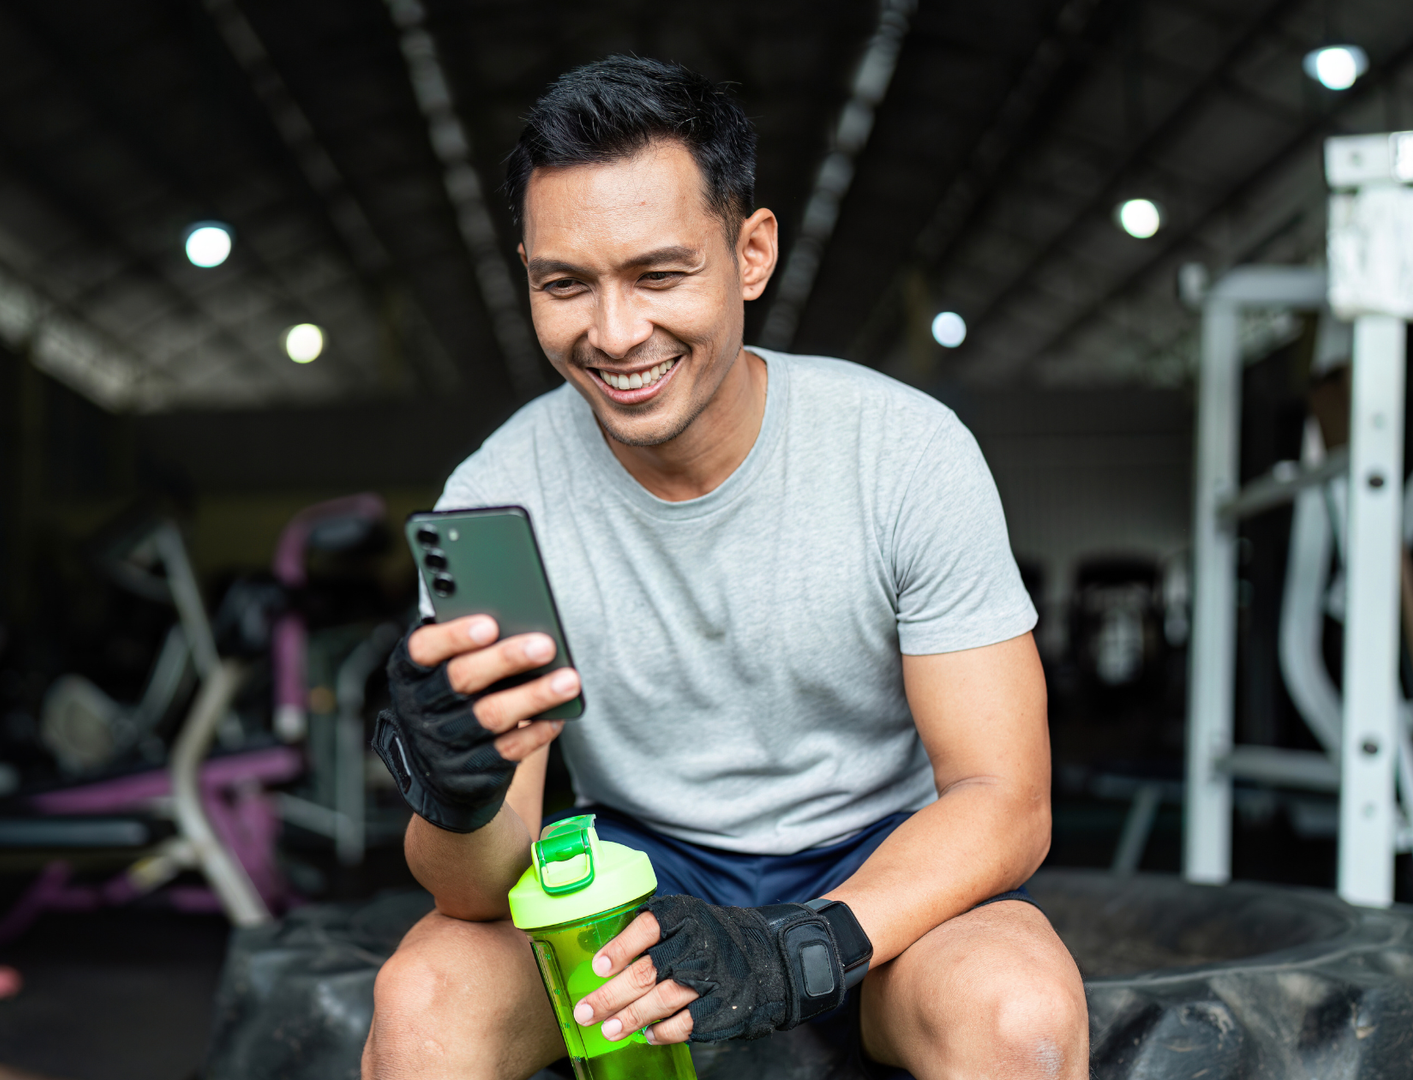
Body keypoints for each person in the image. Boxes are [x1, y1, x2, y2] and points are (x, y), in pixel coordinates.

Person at [363, 56, 1087, 1080]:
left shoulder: (904, 452)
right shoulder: (495, 502)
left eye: (660, 275)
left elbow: (1005, 797)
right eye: (564, 284)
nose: (615, 335)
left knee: (1018, 1014)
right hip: (632, 879)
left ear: (752, 253)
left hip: (882, 873)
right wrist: (459, 797)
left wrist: (801, 946)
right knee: (423, 1001)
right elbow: (474, 888)